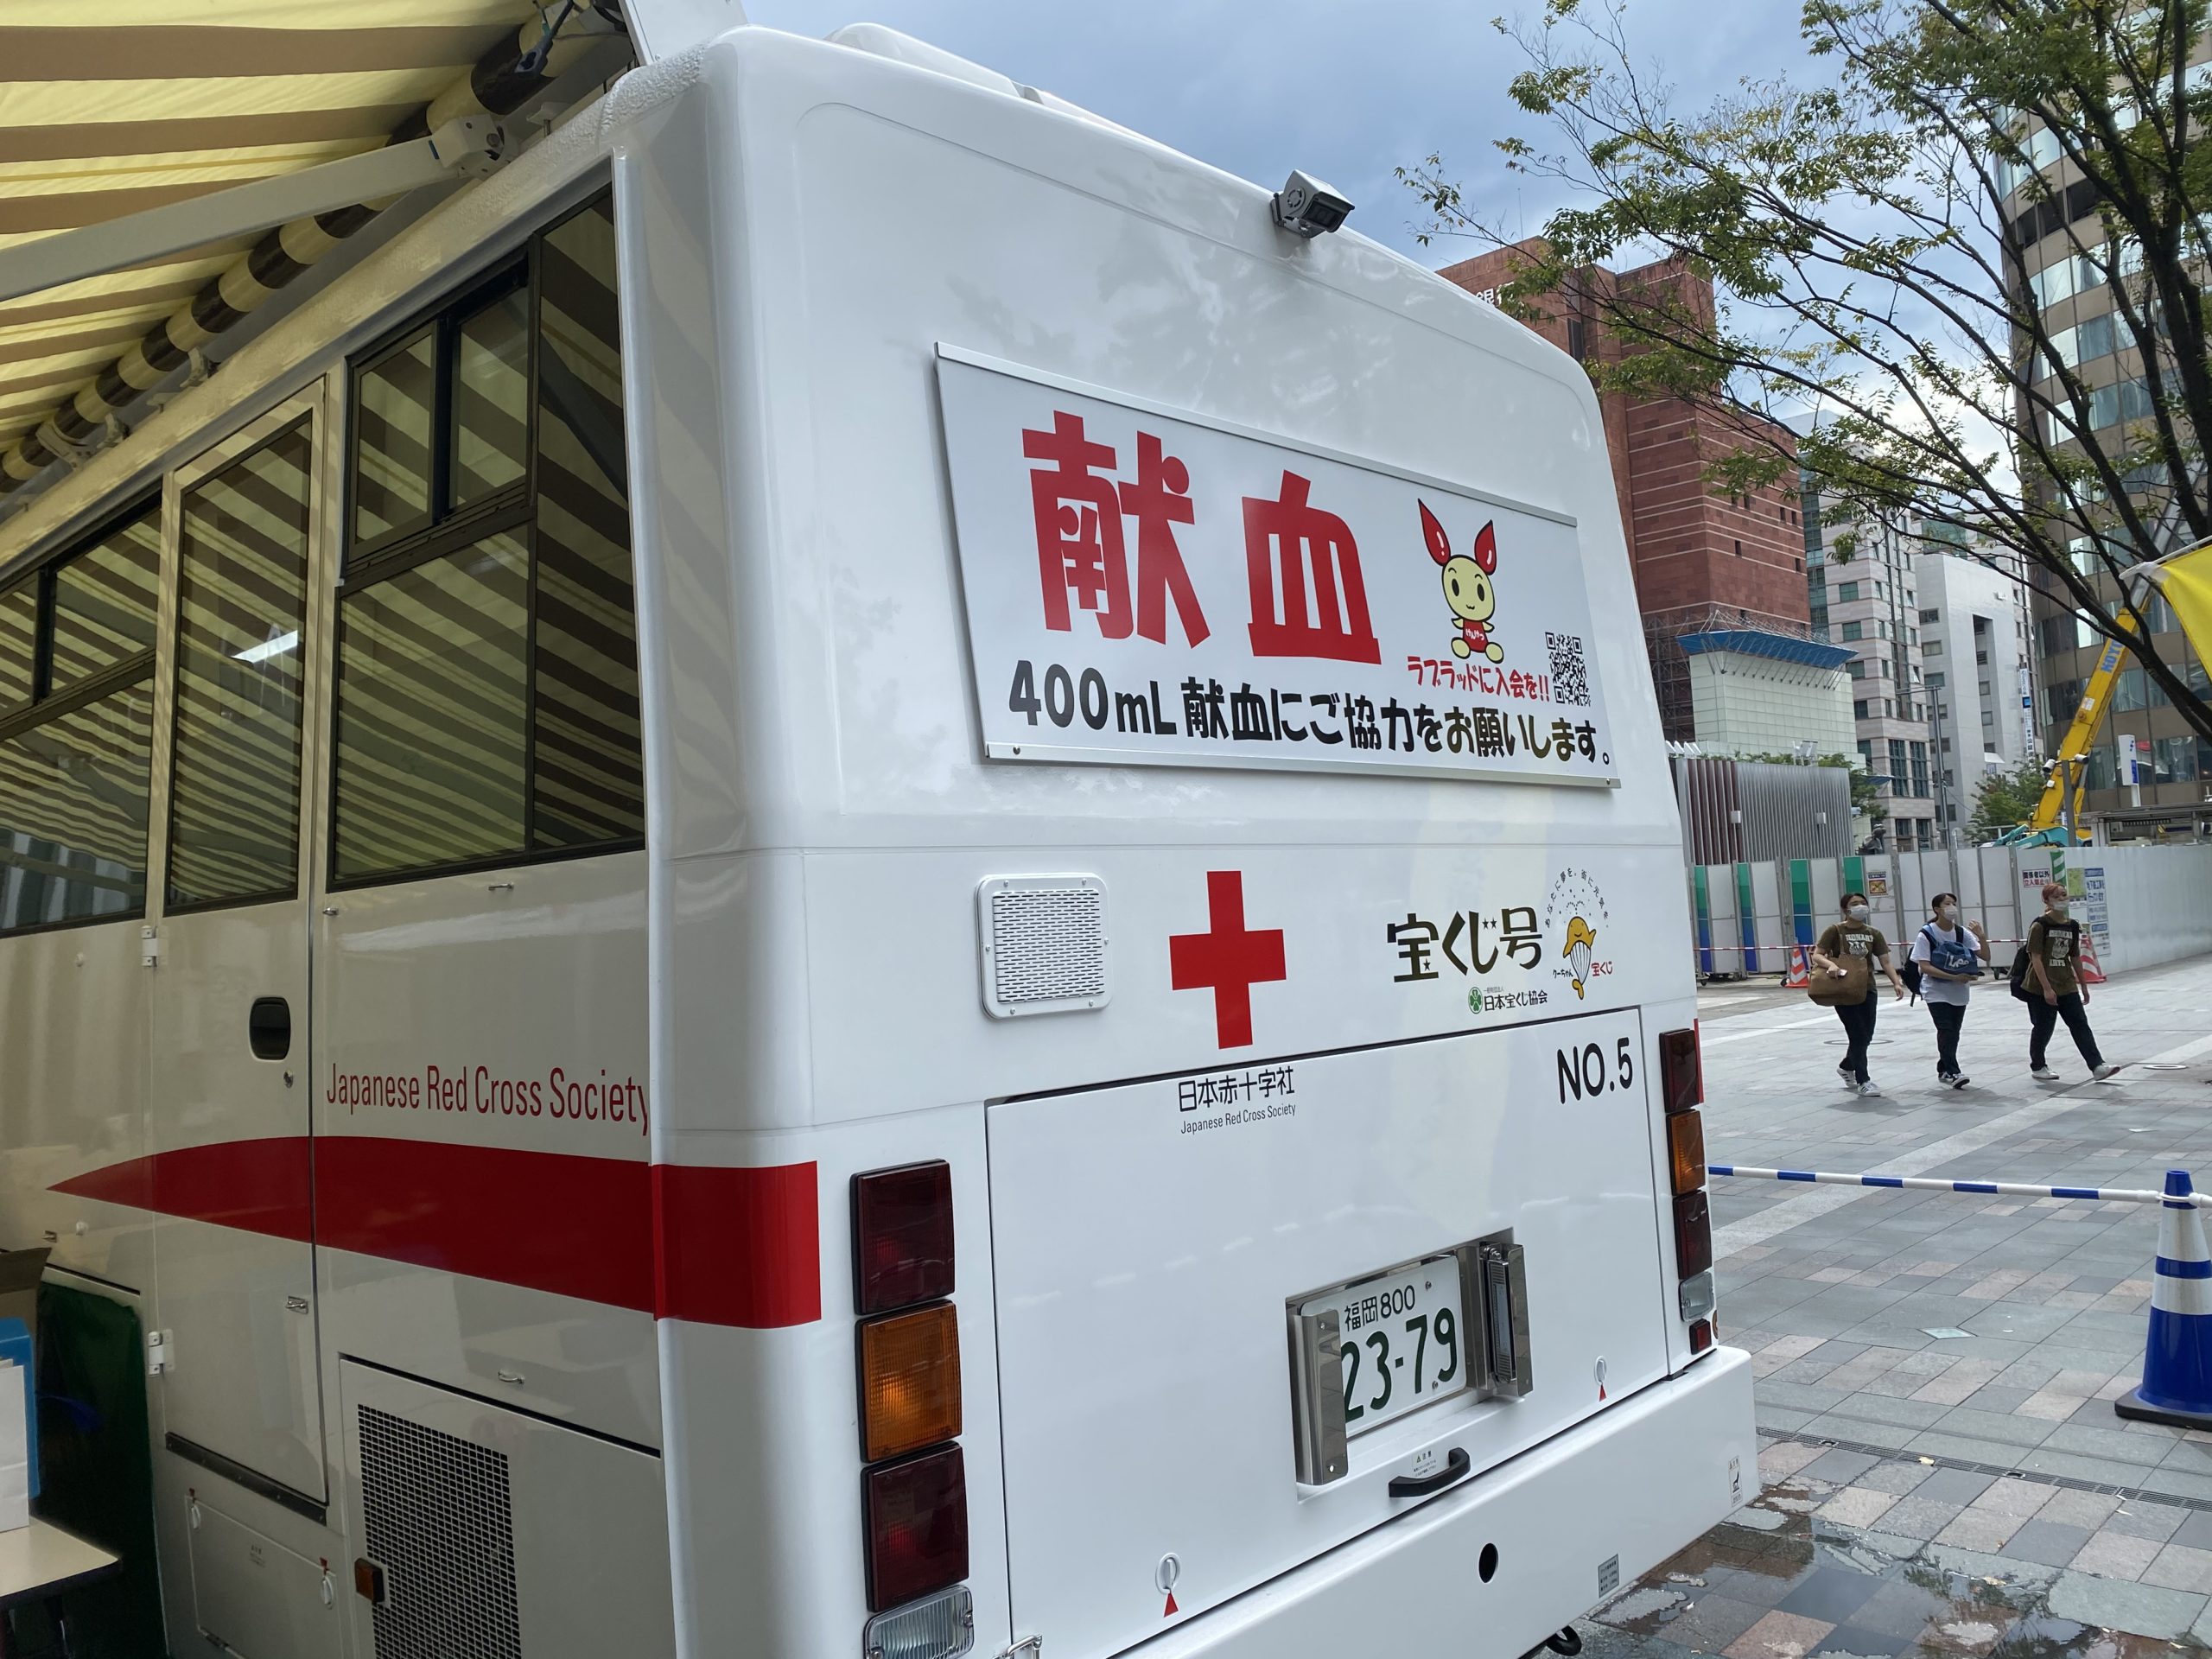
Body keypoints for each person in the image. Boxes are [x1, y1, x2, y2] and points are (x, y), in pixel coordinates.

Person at [2021, 881, 2120, 1082]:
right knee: (2043, 1027)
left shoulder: (2073, 926)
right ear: (2047, 900)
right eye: (2056, 896)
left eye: (2064, 895)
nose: (2062, 899)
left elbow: (2075, 957)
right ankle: (2038, 1065)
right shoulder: (2040, 925)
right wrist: (2047, 989)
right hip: (2041, 986)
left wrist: (2083, 986)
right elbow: (2035, 958)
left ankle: (2097, 1066)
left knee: (2080, 1024)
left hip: (2066, 984)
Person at [1810, 893, 1905, 1096]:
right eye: (1855, 904)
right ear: (1845, 909)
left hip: (1867, 988)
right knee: (1857, 1034)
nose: (1860, 906)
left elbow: (1885, 961)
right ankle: (1864, 1080)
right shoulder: (1835, 930)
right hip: (1843, 988)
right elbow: (1817, 954)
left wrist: (1896, 982)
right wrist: (1831, 964)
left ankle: (1846, 1066)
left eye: (1863, 903)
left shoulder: (1873, 933)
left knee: (1866, 1035)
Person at [1910, 892, 1988, 1089]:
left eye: (1954, 903)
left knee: (1954, 1031)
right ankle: (1954, 1072)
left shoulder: (1961, 933)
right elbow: (1924, 966)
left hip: (1959, 991)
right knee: (1946, 1029)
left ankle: (1943, 1068)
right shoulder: (1927, 933)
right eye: (1947, 904)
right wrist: (1954, 977)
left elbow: (1986, 956)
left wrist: (1981, 936)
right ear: (1937, 909)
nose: (1952, 907)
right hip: (1935, 989)